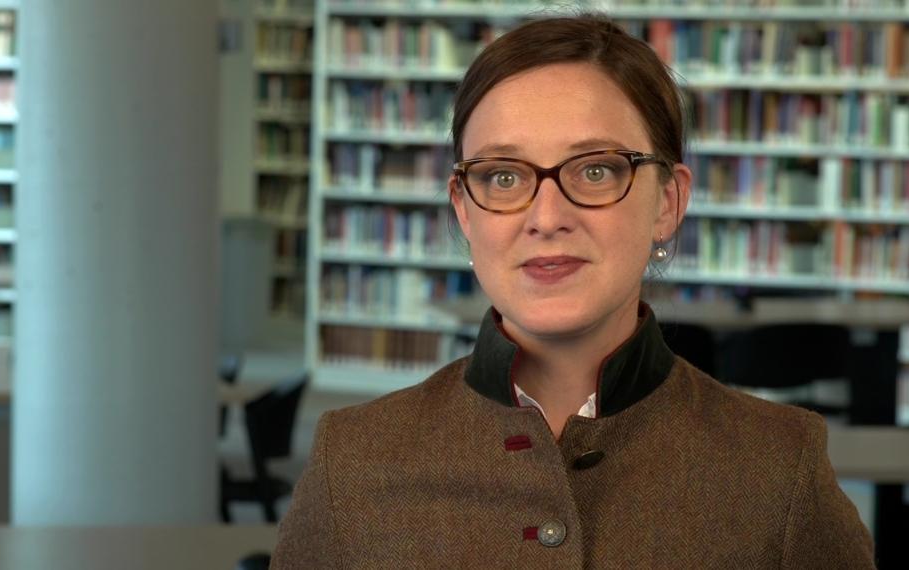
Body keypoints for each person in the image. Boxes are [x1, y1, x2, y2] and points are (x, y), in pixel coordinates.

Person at [272, 14, 875, 568]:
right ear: (464, 210)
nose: (546, 216)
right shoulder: (349, 465)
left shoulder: (779, 469)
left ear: (667, 202)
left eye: (594, 169)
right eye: (503, 176)